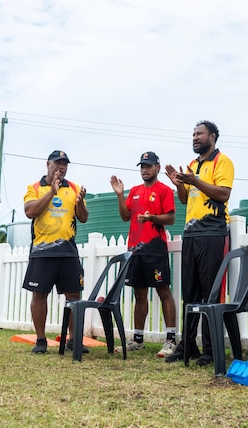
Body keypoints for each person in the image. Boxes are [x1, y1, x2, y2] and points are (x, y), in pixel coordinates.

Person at [163, 120, 233, 367]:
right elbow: (184, 200)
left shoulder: (221, 161)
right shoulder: (193, 165)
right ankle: (187, 346)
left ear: (212, 136)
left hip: (213, 232)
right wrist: (180, 184)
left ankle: (211, 350)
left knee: (209, 293)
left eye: (199, 134)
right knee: (190, 293)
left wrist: (194, 181)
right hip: (191, 235)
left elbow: (223, 194)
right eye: (192, 134)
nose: (194, 137)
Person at [109, 151, 178, 357]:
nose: (145, 170)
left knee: (163, 291)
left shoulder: (164, 190)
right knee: (139, 294)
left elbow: (171, 219)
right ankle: (138, 339)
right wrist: (120, 195)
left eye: (148, 166)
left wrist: (152, 218)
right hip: (135, 249)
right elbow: (124, 217)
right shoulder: (134, 191)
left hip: (155, 248)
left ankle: (171, 339)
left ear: (157, 167)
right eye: (142, 166)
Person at [22, 150, 88, 354]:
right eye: (57, 163)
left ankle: (73, 339)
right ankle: (41, 340)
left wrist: (79, 204)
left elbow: (83, 218)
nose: (61, 167)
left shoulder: (75, 188)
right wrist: (51, 191)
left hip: (68, 251)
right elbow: (30, 212)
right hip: (42, 251)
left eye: (64, 164)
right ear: (47, 164)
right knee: (39, 294)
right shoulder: (34, 188)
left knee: (73, 295)